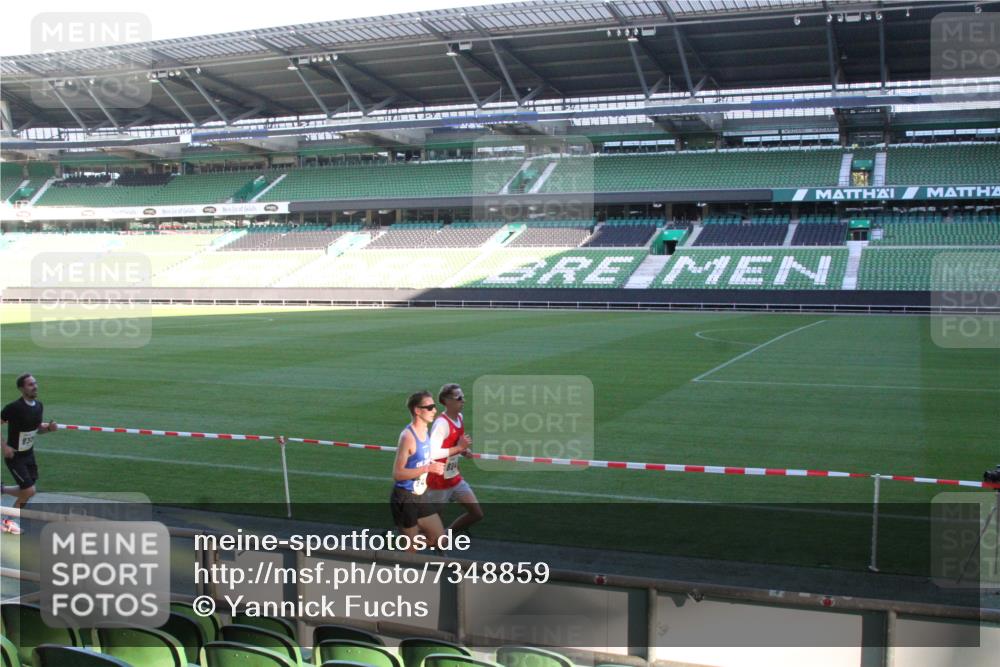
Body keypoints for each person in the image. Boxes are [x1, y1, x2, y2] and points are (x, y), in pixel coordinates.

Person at [389, 391, 446, 551]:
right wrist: (428, 468)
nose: (434, 410)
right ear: (417, 410)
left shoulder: (425, 431)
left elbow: (418, 461)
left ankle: (396, 543)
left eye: (434, 406)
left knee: (440, 539)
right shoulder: (408, 436)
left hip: (420, 495)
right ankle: (401, 549)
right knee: (411, 552)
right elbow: (397, 474)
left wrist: (431, 465)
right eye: (429, 407)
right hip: (405, 497)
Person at [1, 373, 57, 534]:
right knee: (29, 491)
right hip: (14, 456)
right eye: (30, 384)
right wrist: (4, 446)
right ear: (21, 388)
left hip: (29, 455)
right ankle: (8, 521)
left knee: (28, 491)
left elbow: (37, 429)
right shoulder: (14, 408)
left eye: (35, 383)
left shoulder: (39, 406)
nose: (35, 386)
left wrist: (48, 429)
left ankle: (2, 490)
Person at [426, 383, 483, 534]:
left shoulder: (459, 418)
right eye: (459, 398)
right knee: (429, 527)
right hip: (439, 480)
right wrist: (460, 448)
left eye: (463, 397)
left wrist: (464, 450)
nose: (463, 400)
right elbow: (433, 453)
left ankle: (445, 536)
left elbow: (455, 443)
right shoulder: (441, 424)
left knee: (476, 513)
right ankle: (393, 540)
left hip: (454, 476)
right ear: (447, 401)